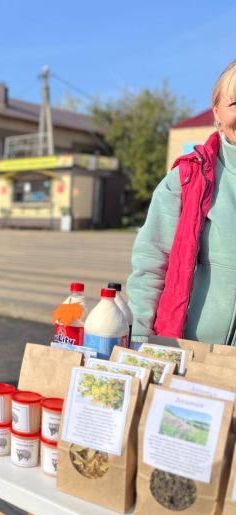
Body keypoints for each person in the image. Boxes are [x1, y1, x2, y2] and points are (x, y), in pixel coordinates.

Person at [127, 59, 236, 344]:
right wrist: (139, 337)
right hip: (190, 353)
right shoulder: (186, 179)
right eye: (235, 103)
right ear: (217, 112)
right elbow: (152, 263)